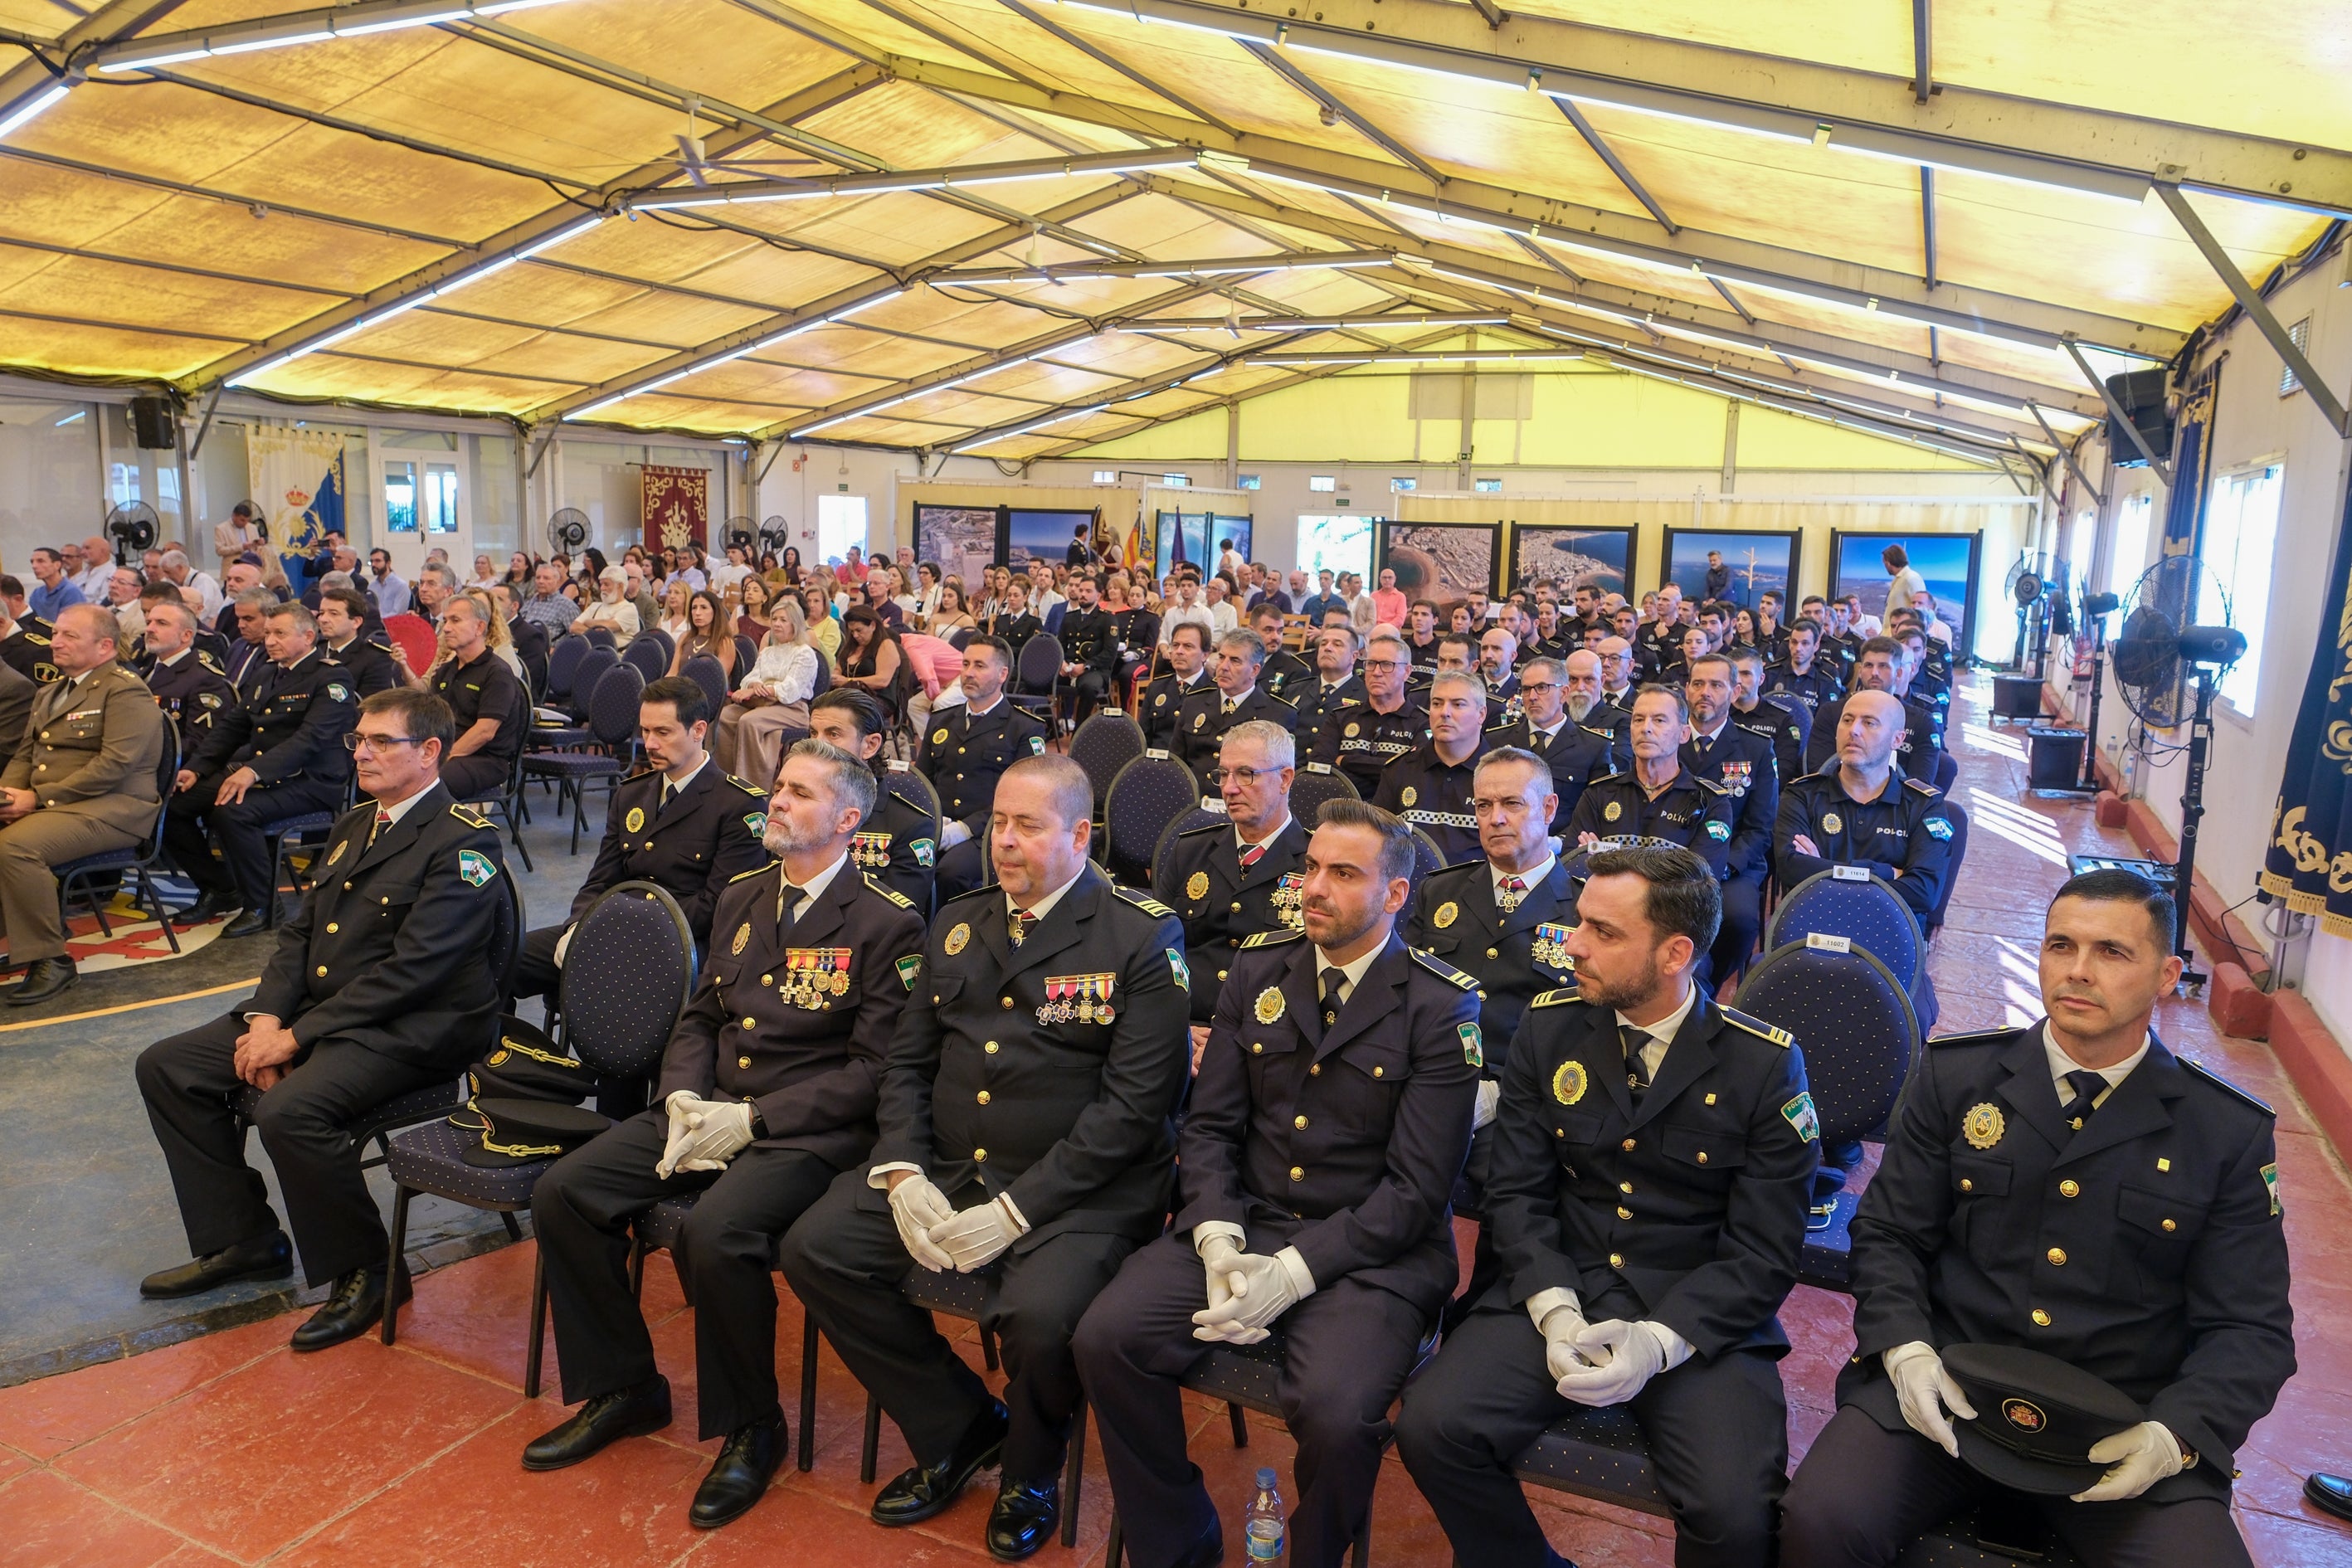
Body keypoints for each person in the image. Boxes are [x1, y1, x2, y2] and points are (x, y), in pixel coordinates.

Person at [1779, 869, 2292, 1568]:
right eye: (2060, 946)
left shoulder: (2219, 1132)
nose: (2077, 972)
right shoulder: (1959, 1079)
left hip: (2120, 1422)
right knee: (1819, 1520)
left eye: (2111, 952)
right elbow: (1889, 1234)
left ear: (2167, 974)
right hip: (1949, 1392)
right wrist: (1904, 1347)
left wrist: (2175, 1434)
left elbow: (2250, 1327)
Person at [778, 755, 1189, 1561]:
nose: (1004, 842)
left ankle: (1031, 1473)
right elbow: (908, 1064)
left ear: (1079, 834)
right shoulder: (960, 920)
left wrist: (1014, 1212)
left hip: (1076, 1194)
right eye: (999, 822)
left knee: (1041, 1320)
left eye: (1027, 826)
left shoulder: (1141, 935)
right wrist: (901, 1171)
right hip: (951, 1171)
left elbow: (1136, 1113)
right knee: (815, 1249)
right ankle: (961, 1425)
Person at [519, 741, 923, 1525]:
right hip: (708, 1110)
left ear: (846, 820)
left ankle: (751, 1427)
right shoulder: (744, 895)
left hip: (802, 1131)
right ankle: (625, 1387)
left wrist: (754, 1119)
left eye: (799, 794)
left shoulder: (885, 923)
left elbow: (876, 1071)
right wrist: (678, 1100)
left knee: (716, 1233)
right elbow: (702, 1017)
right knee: (565, 1191)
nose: (776, 802)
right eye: (778, 788)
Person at [1077, 800, 1479, 1568]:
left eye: (1343, 873)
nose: (1312, 889)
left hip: (1371, 1253)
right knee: (1105, 1338)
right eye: (1310, 869)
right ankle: (1174, 1538)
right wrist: (1217, 1231)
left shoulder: (1438, 1003)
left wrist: (1294, 1272)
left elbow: (1417, 1191)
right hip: (1249, 1218)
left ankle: (1315, 1556)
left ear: (1395, 895)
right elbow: (1210, 1126)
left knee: (1334, 1412)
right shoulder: (1260, 968)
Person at [1397, 844, 1817, 1568]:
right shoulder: (1549, 1025)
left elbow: (1763, 1251)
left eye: (1604, 933)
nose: (1573, 948)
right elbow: (1518, 1193)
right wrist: (1556, 1308)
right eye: (1578, 923)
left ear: (1673, 953)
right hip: (1566, 1282)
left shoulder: (1761, 1063)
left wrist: (1659, 1340)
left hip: (1693, 1311)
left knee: (1735, 1514)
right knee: (1432, 1427)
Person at [135, 689, 507, 1348]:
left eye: (380, 741)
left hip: (414, 1030)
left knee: (290, 1112)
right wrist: (263, 1022)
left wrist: (297, 1036)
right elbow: (298, 939)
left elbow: (415, 971)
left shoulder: (465, 845)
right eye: (358, 739)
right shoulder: (356, 823)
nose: (361, 752)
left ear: (428, 752)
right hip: (325, 1014)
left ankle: (368, 1274)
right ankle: (244, 1241)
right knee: (167, 1066)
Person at [1406, 747, 1580, 1299]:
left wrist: (1505, 1094)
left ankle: (1484, 1310)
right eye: (1483, 805)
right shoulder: (1441, 890)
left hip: (1524, 1101)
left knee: (1515, 1191)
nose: (1495, 818)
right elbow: (1403, 992)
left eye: (1511, 803)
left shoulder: (1583, 909)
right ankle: (1397, 1292)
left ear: (1548, 807)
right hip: (1429, 1082)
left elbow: (1586, 1029)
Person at [510, 676, 768, 1003]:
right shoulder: (632, 794)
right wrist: (577, 925)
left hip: (678, 943)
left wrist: (626, 929)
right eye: (645, 731)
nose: (649, 744)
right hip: (613, 928)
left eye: (663, 732)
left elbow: (718, 906)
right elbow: (600, 879)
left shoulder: (738, 804)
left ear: (699, 730)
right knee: (500, 959)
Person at [0, 606, 166, 1001]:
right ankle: (18, 942)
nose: (56, 642)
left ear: (105, 646)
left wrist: (37, 797)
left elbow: (115, 765)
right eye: (57, 633)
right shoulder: (51, 691)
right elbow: (25, 756)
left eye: (70, 636)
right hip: (64, 806)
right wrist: (6, 796)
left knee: (15, 847)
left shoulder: (125, 689)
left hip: (116, 808)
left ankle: (53, 959)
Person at [164, 602, 358, 936]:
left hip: (311, 781)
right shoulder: (268, 672)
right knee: (173, 804)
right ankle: (222, 888)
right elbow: (231, 728)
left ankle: (263, 906)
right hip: (263, 774)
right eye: (268, 633)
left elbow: (309, 740)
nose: (270, 640)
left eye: (280, 633)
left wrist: (253, 772)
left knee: (233, 812)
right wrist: (196, 768)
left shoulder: (330, 677)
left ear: (308, 636)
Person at [1156, 720, 1308, 1057]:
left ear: (1285, 779)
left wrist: (1231, 1040)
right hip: (1181, 1031)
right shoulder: (1190, 851)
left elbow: (1313, 976)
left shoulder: (1315, 864)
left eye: (1245, 774)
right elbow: (1156, 953)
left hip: (1266, 1044)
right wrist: (1176, 1029)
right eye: (1223, 775)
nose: (1229, 788)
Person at [1566, 685, 1735, 888]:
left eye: (1659, 720)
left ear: (1684, 734)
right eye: (1638, 719)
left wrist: (1604, 859)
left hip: (1671, 916)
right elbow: (1573, 865)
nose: (1645, 728)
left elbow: (1699, 881)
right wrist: (1670, 867)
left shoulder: (1712, 802)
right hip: (1604, 911)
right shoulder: (1599, 793)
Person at [919, 637, 1048, 899]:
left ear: (1002, 674)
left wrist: (967, 828)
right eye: (965, 664)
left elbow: (1026, 799)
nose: (968, 673)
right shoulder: (941, 721)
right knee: (901, 861)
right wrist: (930, 819)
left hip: (990, 833)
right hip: (938, 827)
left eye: (979, 666)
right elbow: (923, 781)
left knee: (950, 873)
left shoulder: (1023, 728)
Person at [1680, 651, 1780, 986]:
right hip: (1669, 855)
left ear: (1735, 692)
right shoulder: (1667, 736)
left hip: (1731, 864)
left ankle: (1708, 985)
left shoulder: (1756, 749)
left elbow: (1759, 829)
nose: (1705, 691)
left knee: (1738, 919)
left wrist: (1720, 866)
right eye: (1698, 683)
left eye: (1716, 684)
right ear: (1686, 689)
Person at [418, 594, 526, 805]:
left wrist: (441, 757)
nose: (447, 628)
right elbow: (430, 719)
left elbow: (485, 731)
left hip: (485, 759)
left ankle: (432, 836)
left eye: (455, 620)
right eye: (445, 621)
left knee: (430, 782)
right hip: (446, 751)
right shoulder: (445, 671)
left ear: (479, 628)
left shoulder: (497, 673)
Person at [1371, 669, 1486, 866]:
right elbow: (1376, 842)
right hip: (1409, 888)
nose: (1445, 712)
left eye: (1458, 704)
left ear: (1481, 714)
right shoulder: (1400, 769)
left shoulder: (1501, 775)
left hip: (1476, 889)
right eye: (1437, 704)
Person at [715, 598, 821, 786]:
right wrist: (753, 686)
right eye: (774, 619)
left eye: (783, 620)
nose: (777, 624)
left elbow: (792, 688)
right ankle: (724, 777)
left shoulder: (804, 652)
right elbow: (750, 677)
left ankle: (750, 784)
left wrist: (765, 690)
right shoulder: (768, 652)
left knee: (749, 721)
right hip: (762, 702)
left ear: (795, 624)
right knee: (726, 715)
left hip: (792, 708)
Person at [1803, 638, 1941, 777]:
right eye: (1869, 665)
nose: (1875, 672)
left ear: (1898, 673)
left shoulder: (1922, 722)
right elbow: (1819, 770)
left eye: (1883, 666)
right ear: (1861, 671)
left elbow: (1920, 782)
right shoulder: (1831, 713)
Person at [1174, 630, 1296, 781]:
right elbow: (1176, 763)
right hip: (1196, 797)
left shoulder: (1277, 714)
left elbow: (1276, 777)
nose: (1224, 667)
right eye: (1221, 657)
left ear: (1255, 670)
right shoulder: (1194, 704)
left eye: (1235, 661)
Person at [139, 598, 236, 747]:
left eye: (161, 623)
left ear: (186, 635)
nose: (150, 629)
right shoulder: (145, 668)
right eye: (148, 623)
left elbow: (198, 744)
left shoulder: (205, 680)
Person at [1726, 646, 1809, 787]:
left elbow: (1782, 773)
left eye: (1746, 674)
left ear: (1761, 679)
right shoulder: (1717, 716)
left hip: (1765, 796)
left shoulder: (1782, 719)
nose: (1738, 681)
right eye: (1734, 674)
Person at [1054, 572, 1120, 729]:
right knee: (1037, 681)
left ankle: (1080, 730)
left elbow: (1110, 652)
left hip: (1094, 669)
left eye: (1088, 591)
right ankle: (1052, 728)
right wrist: (1062, 663)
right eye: (1081, 590)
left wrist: (1085, 667)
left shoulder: (1107, 619)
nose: (1082, 594)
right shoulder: (1070, 617)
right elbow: (1059, 644)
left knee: (1089, 688)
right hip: (1068, 667)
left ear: (1099, 595)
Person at [314, 587, 399, 698]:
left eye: (333, 614)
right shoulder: (315, 650)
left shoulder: (374, 658)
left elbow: (369, 707)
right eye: (321, 613)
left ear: (356, 622)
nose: (323, 619)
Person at [1139, 622, 1212, 751]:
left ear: (1205, 655)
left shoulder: (1215, 691)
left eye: (1188, 646)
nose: (1179, 651)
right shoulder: (1156, 688)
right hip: (1157, 763)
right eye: (1175, 645)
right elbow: (1144, 737)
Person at [1761, 616, 1844, 724]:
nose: (1798, 648)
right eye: (1794, 642)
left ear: (1816, 646)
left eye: (1805, 643)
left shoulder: (1826, 678)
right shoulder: (1771, 673)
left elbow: (1826, 721)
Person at [574, 565, 641, 646]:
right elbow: (574, 627)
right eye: (601, 584)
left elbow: (607, 627)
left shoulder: (629, 609)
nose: (602, 588)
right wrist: (597, 633)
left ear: (620, 586)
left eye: (606, 584)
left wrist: (588, 622)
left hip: (617, 656)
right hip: (591, 652)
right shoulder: (594, 606)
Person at [520, 562, 579, 640]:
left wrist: (557, 649)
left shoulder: (566, 606)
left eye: (546, 578)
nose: (540, 581)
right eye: (538, 578)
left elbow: (576, 637)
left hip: (549, 648)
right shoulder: (530, 602)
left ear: (557, 582)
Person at [27, 548, 83, 621]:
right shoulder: (37, 593)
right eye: (32, 562)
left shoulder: (71, 592)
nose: (34, 566)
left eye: (40, 561)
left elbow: (73, 623)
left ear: (57, 565)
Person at [212, 499, 262, 571]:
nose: (245, 523)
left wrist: (260, 543)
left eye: (247, 520)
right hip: (232, 568)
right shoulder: (221, 528)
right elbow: (220, 551)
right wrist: (241, 547)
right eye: (242, 520)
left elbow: (257, 548)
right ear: (234, 516)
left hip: (252, 568)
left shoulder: (252, 527)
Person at [368, 548, 411, 617]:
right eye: (371, 561)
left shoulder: (401, 586)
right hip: (373, 625)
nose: (373, 564)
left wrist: (378, 620)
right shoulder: (371, 586)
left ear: (388, 563)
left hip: (393, 625)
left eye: (377, 561)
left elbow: (398, 614)